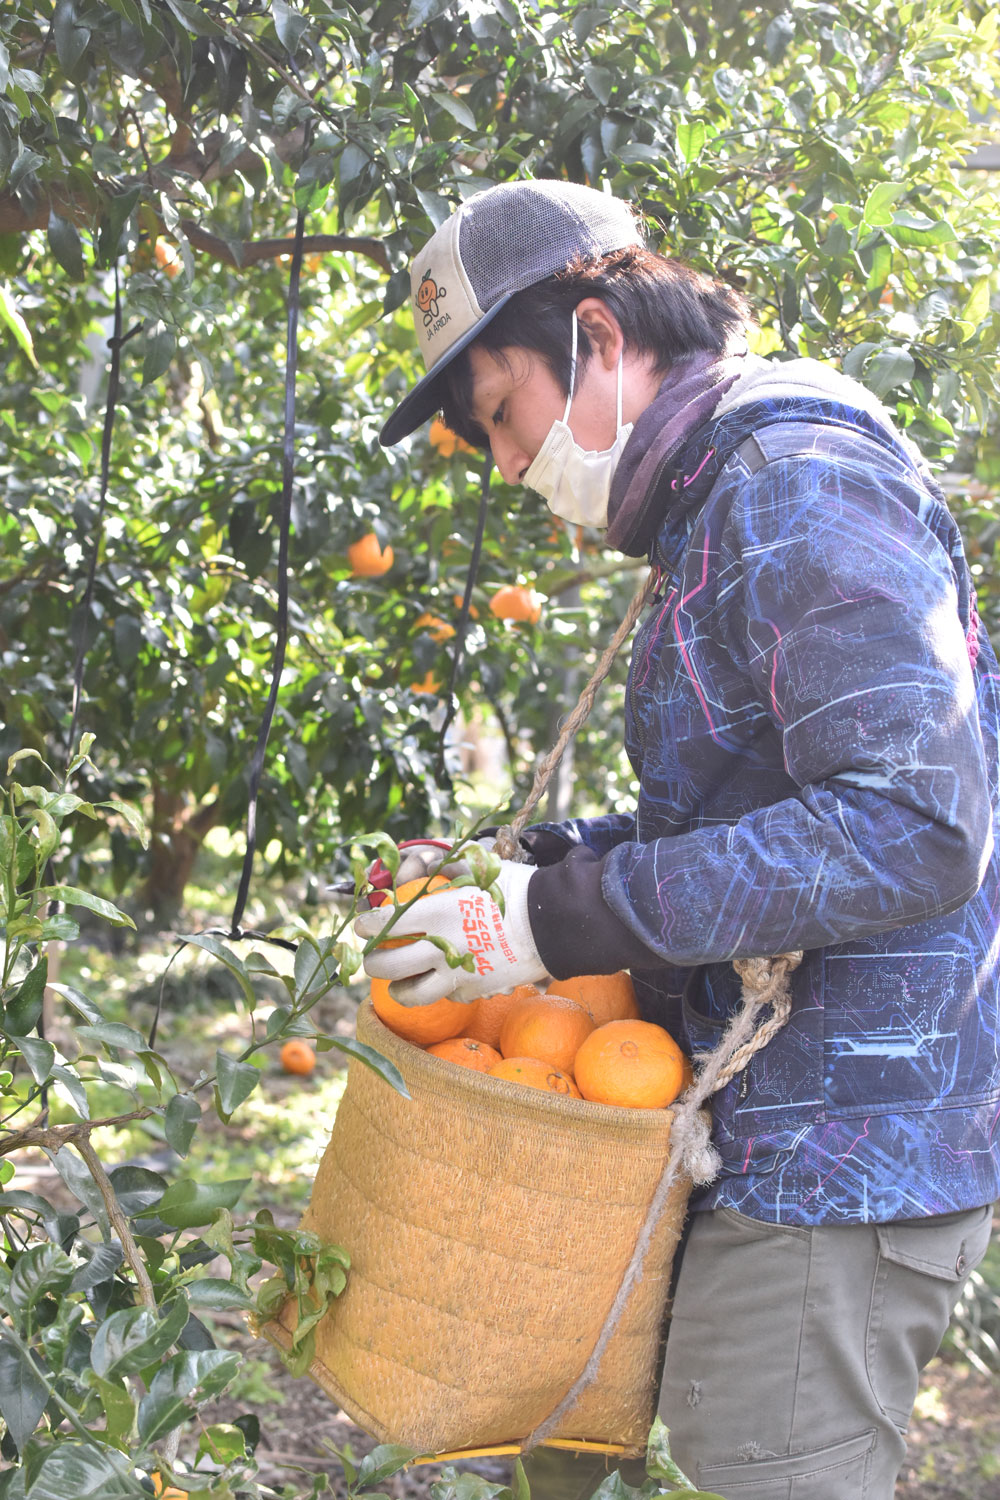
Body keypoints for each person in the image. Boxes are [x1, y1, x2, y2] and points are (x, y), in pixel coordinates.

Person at [356, 179, 1000, 1499]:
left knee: (771, 1463)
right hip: (770, 1104)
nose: (509, 461)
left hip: (844, 1142)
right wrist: (539, 868)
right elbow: (755, 814)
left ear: (597, 334)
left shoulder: (795, 489)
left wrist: (560, 922)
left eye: (501, 413)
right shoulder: (722, 500)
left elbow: (916, 827)